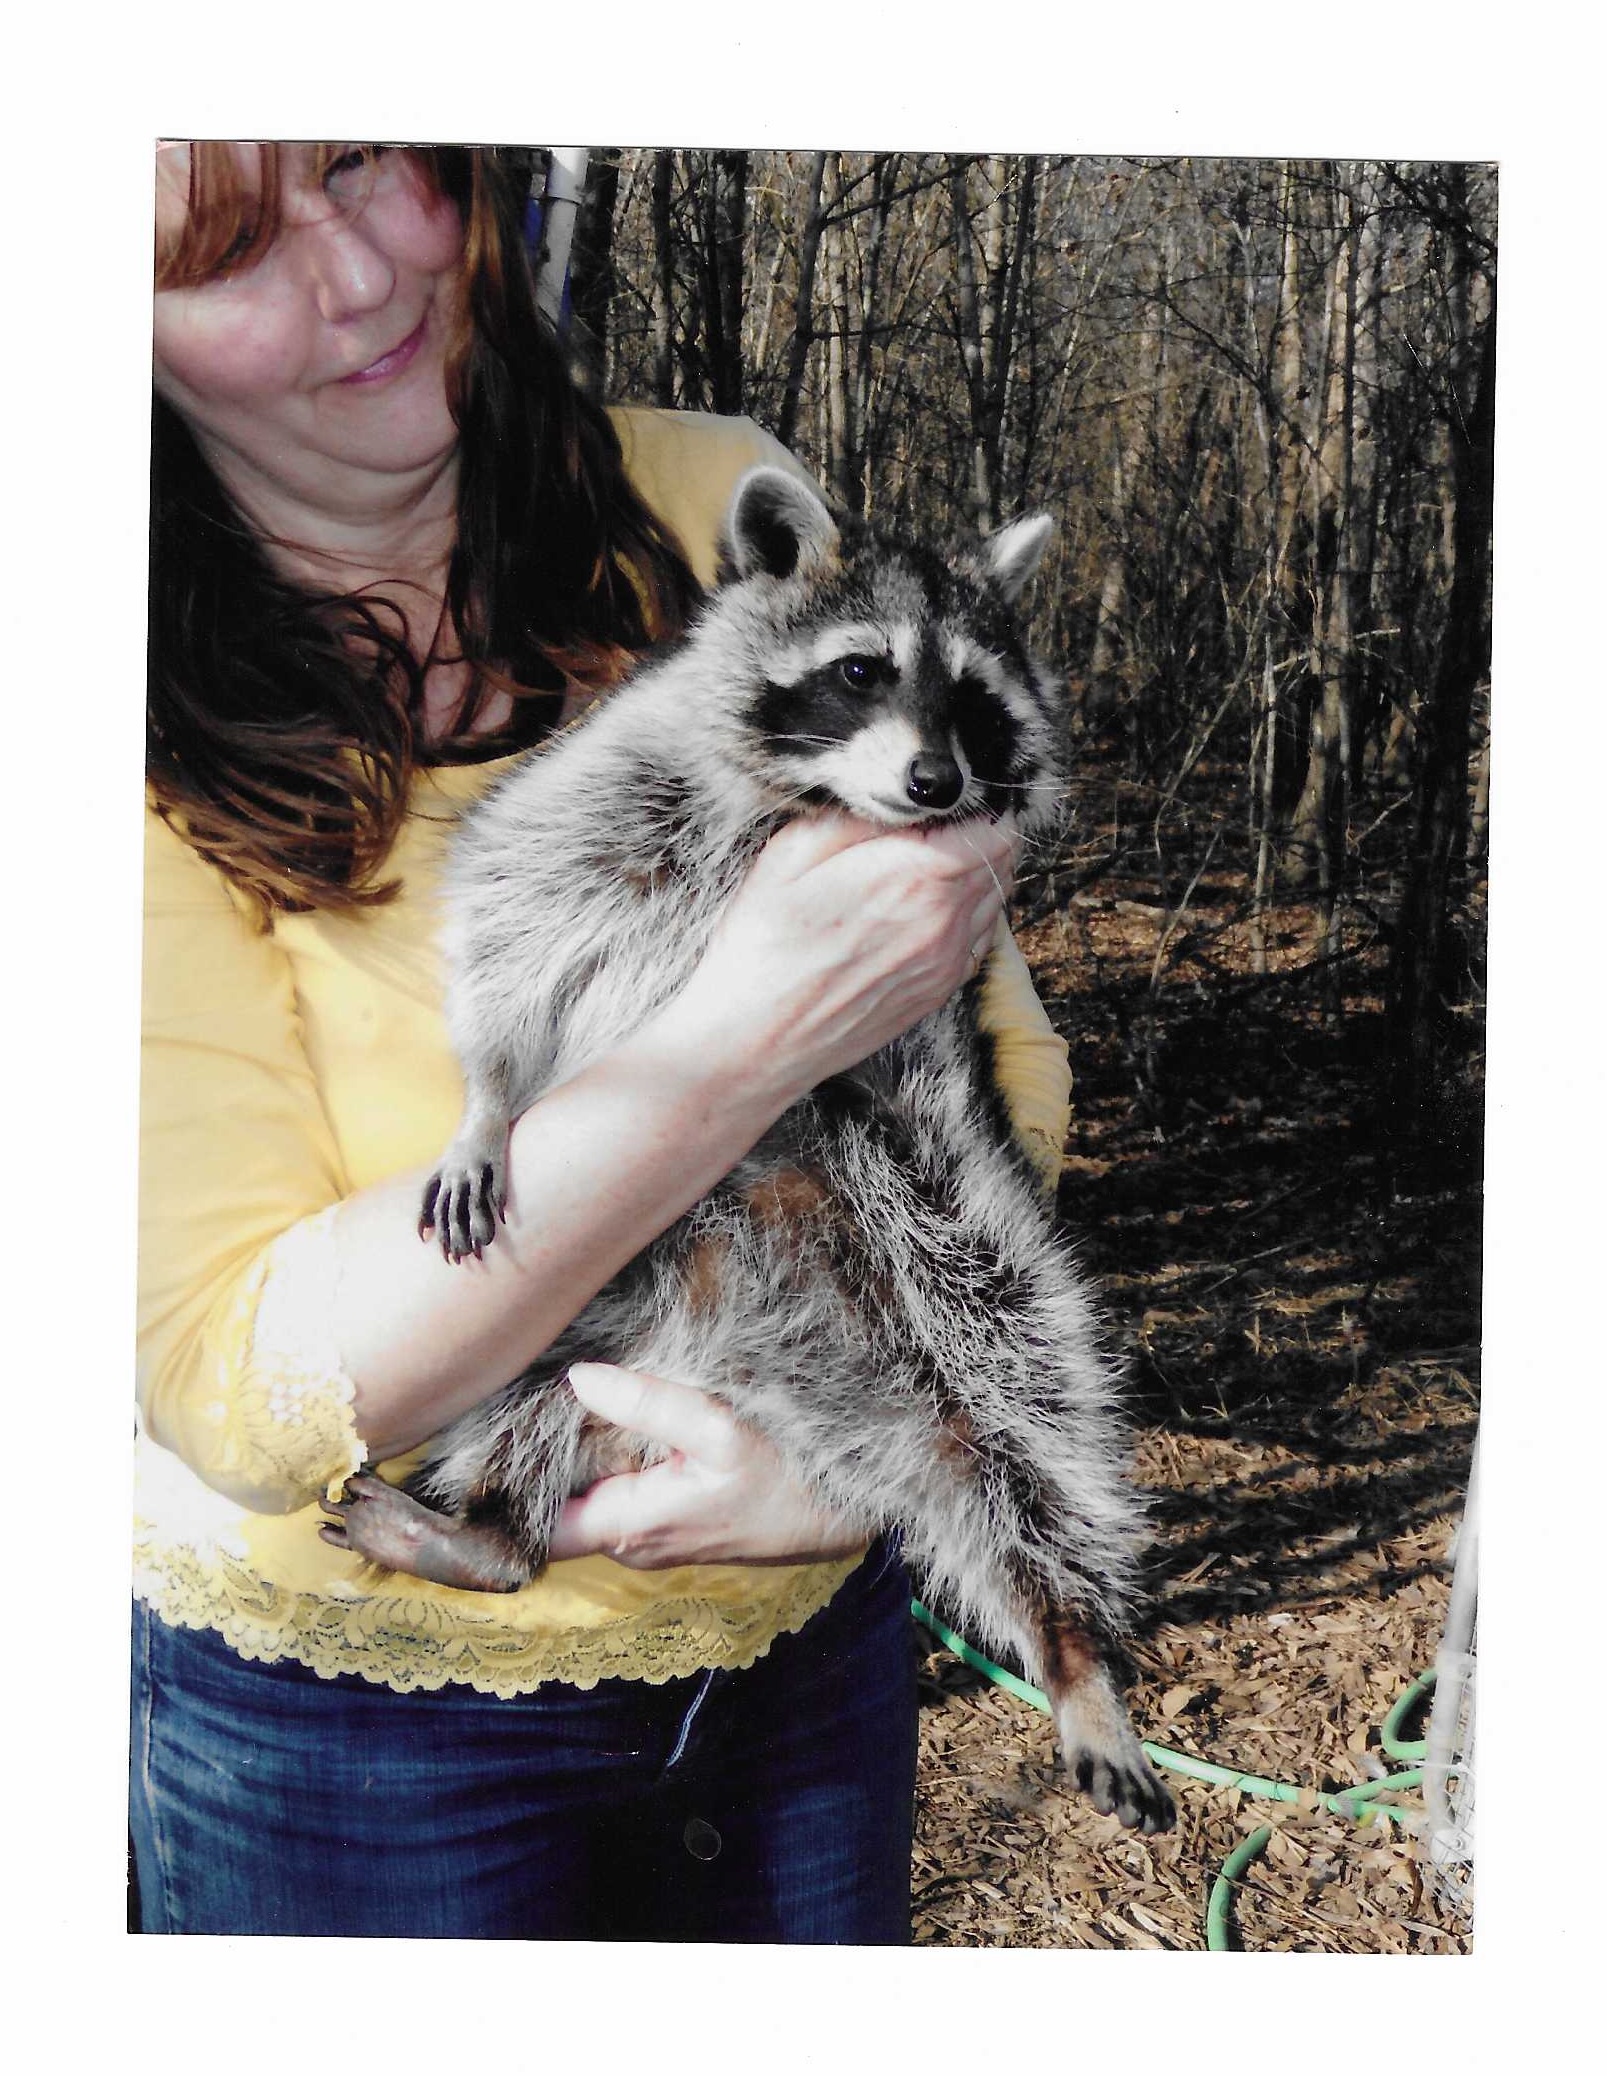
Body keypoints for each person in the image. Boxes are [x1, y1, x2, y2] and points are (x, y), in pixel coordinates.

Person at [133, 141, 1073, 1942]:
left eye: (357, 164)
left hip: (806, 1659)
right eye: (231, 250)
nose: (361, 276)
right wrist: (737, 1038)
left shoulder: (718, 503)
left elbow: (998, 1073)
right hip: (362, 1743)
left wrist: (859, 1465)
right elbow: (234, 1379)